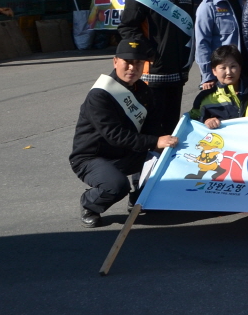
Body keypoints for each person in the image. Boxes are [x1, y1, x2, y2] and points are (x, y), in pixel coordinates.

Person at [69, 37, 178, 227]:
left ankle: (139, 197)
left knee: (166, 159)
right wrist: (154, 142)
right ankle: (90, 204)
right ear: (115, 61)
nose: (132, 68)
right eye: (127, 62)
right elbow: (115, 135)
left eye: (138, 63)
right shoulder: (100, 95)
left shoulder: (143, 90)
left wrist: (161, 145)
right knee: (117, 186)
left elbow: (151, 126)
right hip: (92, 157)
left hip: (126, 151)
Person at [117, 0, 196, 138]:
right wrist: (150, 53)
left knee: (171, 128)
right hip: (152, 74)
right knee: (151, 129)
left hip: (178, 72)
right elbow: (128, 27)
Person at [195, 0, 248, 96]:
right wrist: (207, 76)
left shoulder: (246, 2)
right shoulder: (208, 6)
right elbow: (202, 43)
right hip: (222, 74)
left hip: (246, 72)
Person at [188, 45, 248, 128]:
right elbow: (192, 121)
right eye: (223, 68)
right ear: (214, 71)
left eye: (233, 66)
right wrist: (205, 120)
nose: (228, 72)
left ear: (240, 68)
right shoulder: (205, 99)